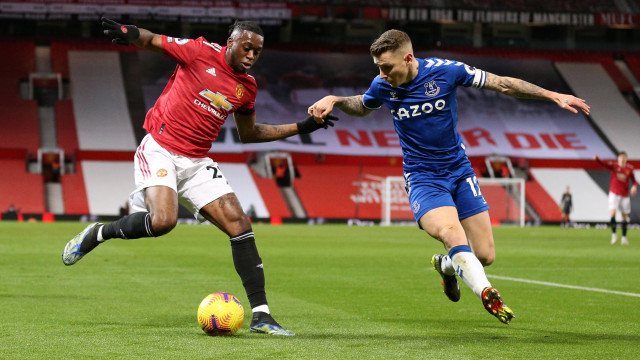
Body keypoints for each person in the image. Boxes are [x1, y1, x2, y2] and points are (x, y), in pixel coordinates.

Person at [62, 18, 338, 336]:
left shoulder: (246, 88)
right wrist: (133, 34)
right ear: (230, 43)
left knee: (239, 223)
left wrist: (302, 127)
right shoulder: (199, 52)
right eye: (246, 47)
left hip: (196, 162)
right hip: (160, 148)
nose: (251, 55)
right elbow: (154, 41)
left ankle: (262, 316)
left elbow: (249, 133)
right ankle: (99, 233)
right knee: (163, 222)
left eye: (257, 52)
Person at [308, 29, 590, 324]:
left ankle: (446, 265)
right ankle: (487, 293)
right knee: (450, 233)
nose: (382, 73)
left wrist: (552, 94)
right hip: (422, 177)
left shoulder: (446, 71)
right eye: (378, 67)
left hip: (459, 171)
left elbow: (502, 84)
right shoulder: (383, 85)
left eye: (387, 67)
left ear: (408, 58)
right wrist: (336, 99)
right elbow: (364, 106)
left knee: (485, 255)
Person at [594, 152, 637, 245]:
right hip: (614, 193)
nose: (622, 159)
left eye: (624, 158)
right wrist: (597, 159)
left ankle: (624, 238)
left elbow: (634, 181)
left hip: (625, 195)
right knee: (613, 213)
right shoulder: (614, 166)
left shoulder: (629, 169)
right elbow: (604, 164)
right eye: (620, 158)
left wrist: (634, 186)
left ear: (626, 159)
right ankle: (614, 234)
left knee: (624, 217)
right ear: (618, 159)